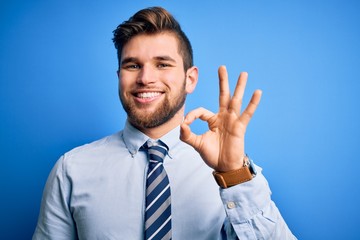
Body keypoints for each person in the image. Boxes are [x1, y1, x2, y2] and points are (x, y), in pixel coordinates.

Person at [33, 6, 296, 240]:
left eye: (162, 64)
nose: (146, 78)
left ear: (190, 79)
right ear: (119, 76)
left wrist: (234, 176)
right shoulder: (72, 170)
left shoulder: (235, 173)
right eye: (133, 66)